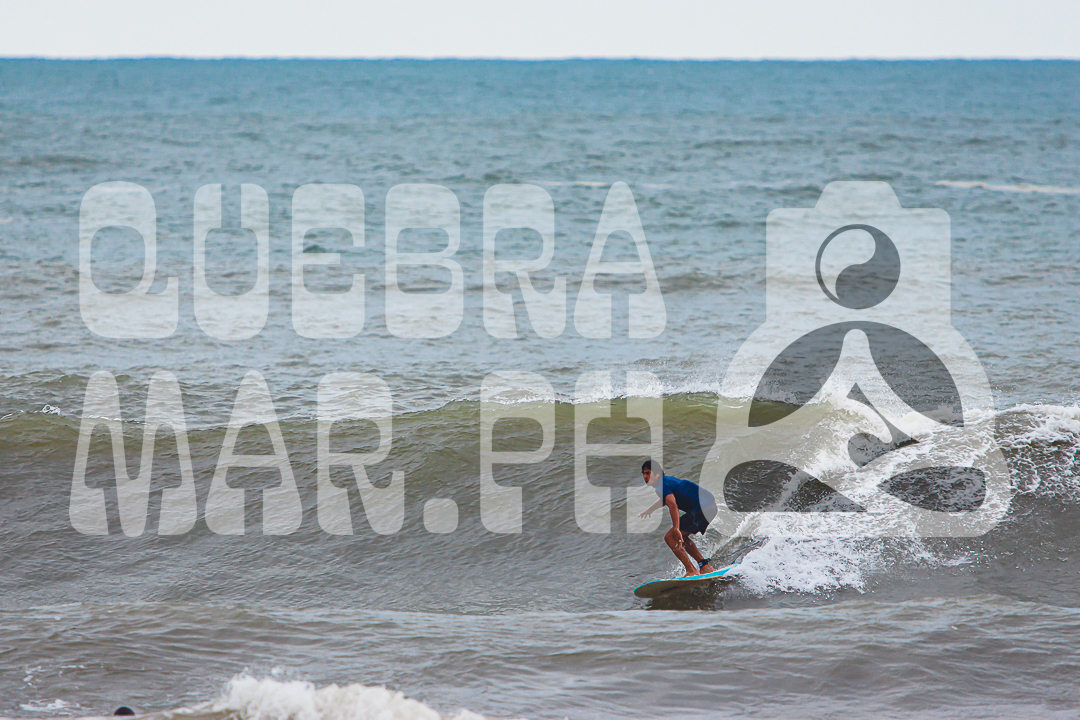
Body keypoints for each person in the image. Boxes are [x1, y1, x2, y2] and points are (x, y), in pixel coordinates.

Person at [637, 460, 717, 576]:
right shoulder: (666, 482)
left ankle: (691, 570)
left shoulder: (661, 485)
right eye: (643, 473)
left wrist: (676, 528)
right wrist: (650, 510)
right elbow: (666, 499)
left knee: (670, 537)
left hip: (702, 508)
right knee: (681, 537)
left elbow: (672, 505)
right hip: (709, 506)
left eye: (648, 473)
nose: (645, 476)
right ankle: (705, 566)